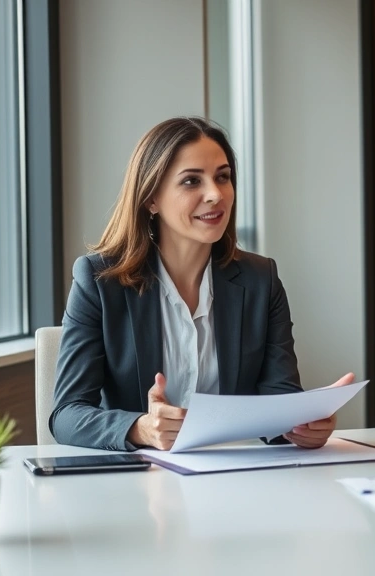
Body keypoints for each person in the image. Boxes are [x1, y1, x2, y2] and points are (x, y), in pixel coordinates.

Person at [51, 116, 352, 451]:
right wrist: (140, 429)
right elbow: (67, 414)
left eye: (222, 177)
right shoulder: (99, 280)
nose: (215, 194)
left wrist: (302, 425)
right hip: (136, 483)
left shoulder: (260, 280)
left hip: (233, 478)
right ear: (152, 198)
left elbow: (278, 401)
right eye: (192, 181)